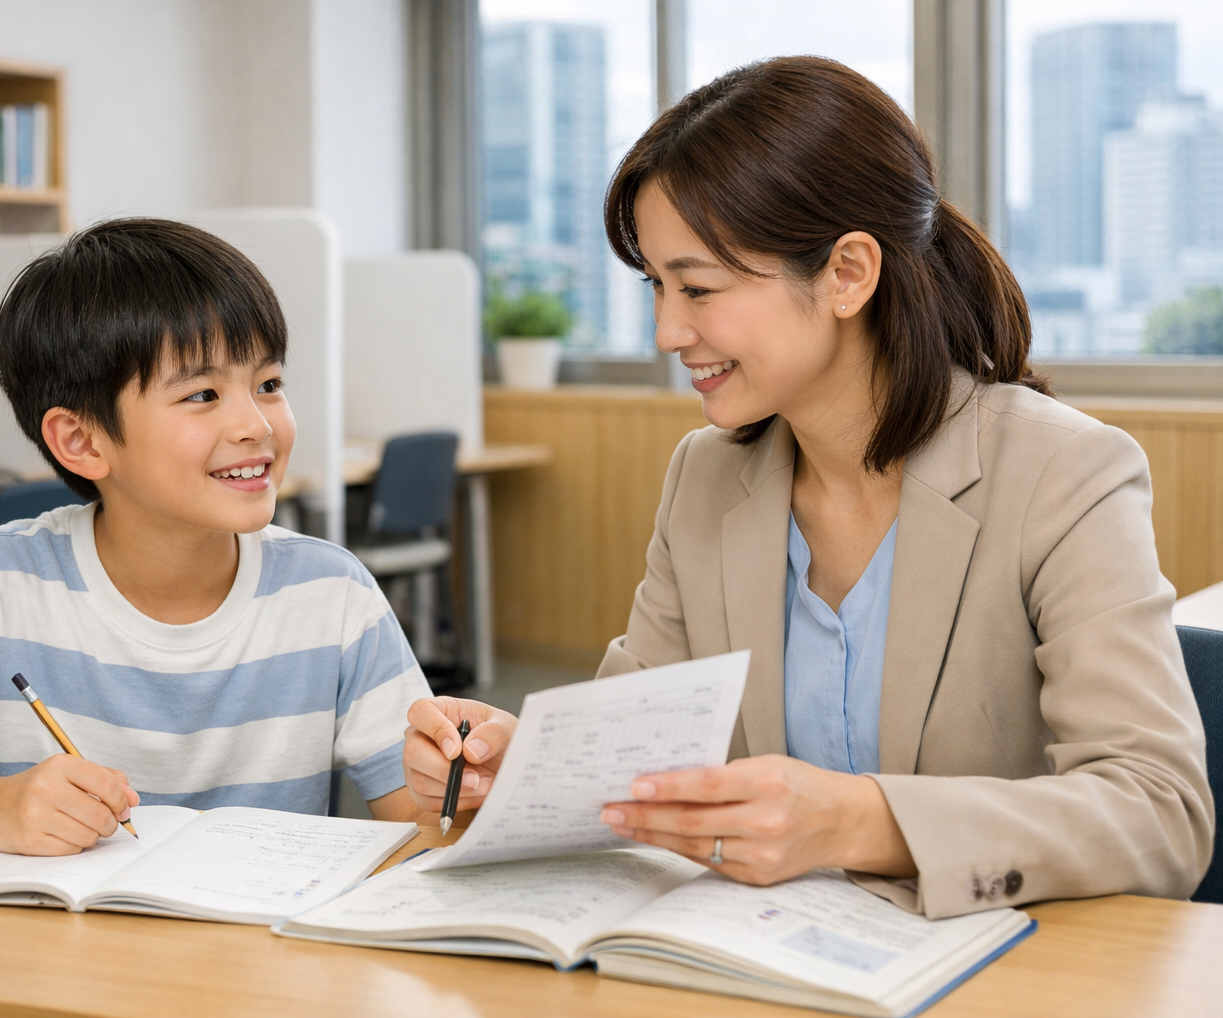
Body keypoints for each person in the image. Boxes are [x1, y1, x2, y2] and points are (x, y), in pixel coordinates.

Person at [404, 57, 1213, 918]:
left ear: (847, 274)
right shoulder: (706, 477)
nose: (669, 330)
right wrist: (521, 769)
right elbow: (638, 744)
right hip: (762, 964)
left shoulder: (1061, 472)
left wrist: (860, 821)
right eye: (657, 287)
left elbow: (1159, 812)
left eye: (700, 288)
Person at [0, 218, 431, 854]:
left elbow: (424, 822)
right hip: (54, 957)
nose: (256, 423)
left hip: (259, 959)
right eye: (202, 394)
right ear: (81, 441)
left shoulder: (332, 593)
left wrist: (476, 781)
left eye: (268, 383)